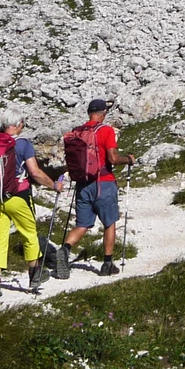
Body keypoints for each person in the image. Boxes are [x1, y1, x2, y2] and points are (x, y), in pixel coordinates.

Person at [0, 114, 59, 300]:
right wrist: (53, 185)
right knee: (29, 234)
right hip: (18, 196)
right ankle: (34, 273)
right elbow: (35, 172)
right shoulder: (23, 144)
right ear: (19, 124)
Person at [59, 98, 134, 276]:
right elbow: (113, 158)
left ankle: (65, 250)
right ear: (103, 114)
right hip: (103, 182)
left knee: (82, 224)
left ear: (89, 113)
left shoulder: (77, 131)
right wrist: (128, 159)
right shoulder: (106, 130)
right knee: (109, 222)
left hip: (82, 185)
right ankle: (107, 263)